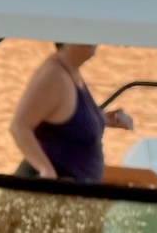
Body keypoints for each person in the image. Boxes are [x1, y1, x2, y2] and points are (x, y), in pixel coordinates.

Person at [9, 42, 133, 183]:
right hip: (49, 194)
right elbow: (19, 127)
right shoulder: (54, 76)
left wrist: (101, 118)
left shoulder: (71, 70)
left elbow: (67, 120)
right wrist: (46, 171)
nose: (95, 41)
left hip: (74, 195)